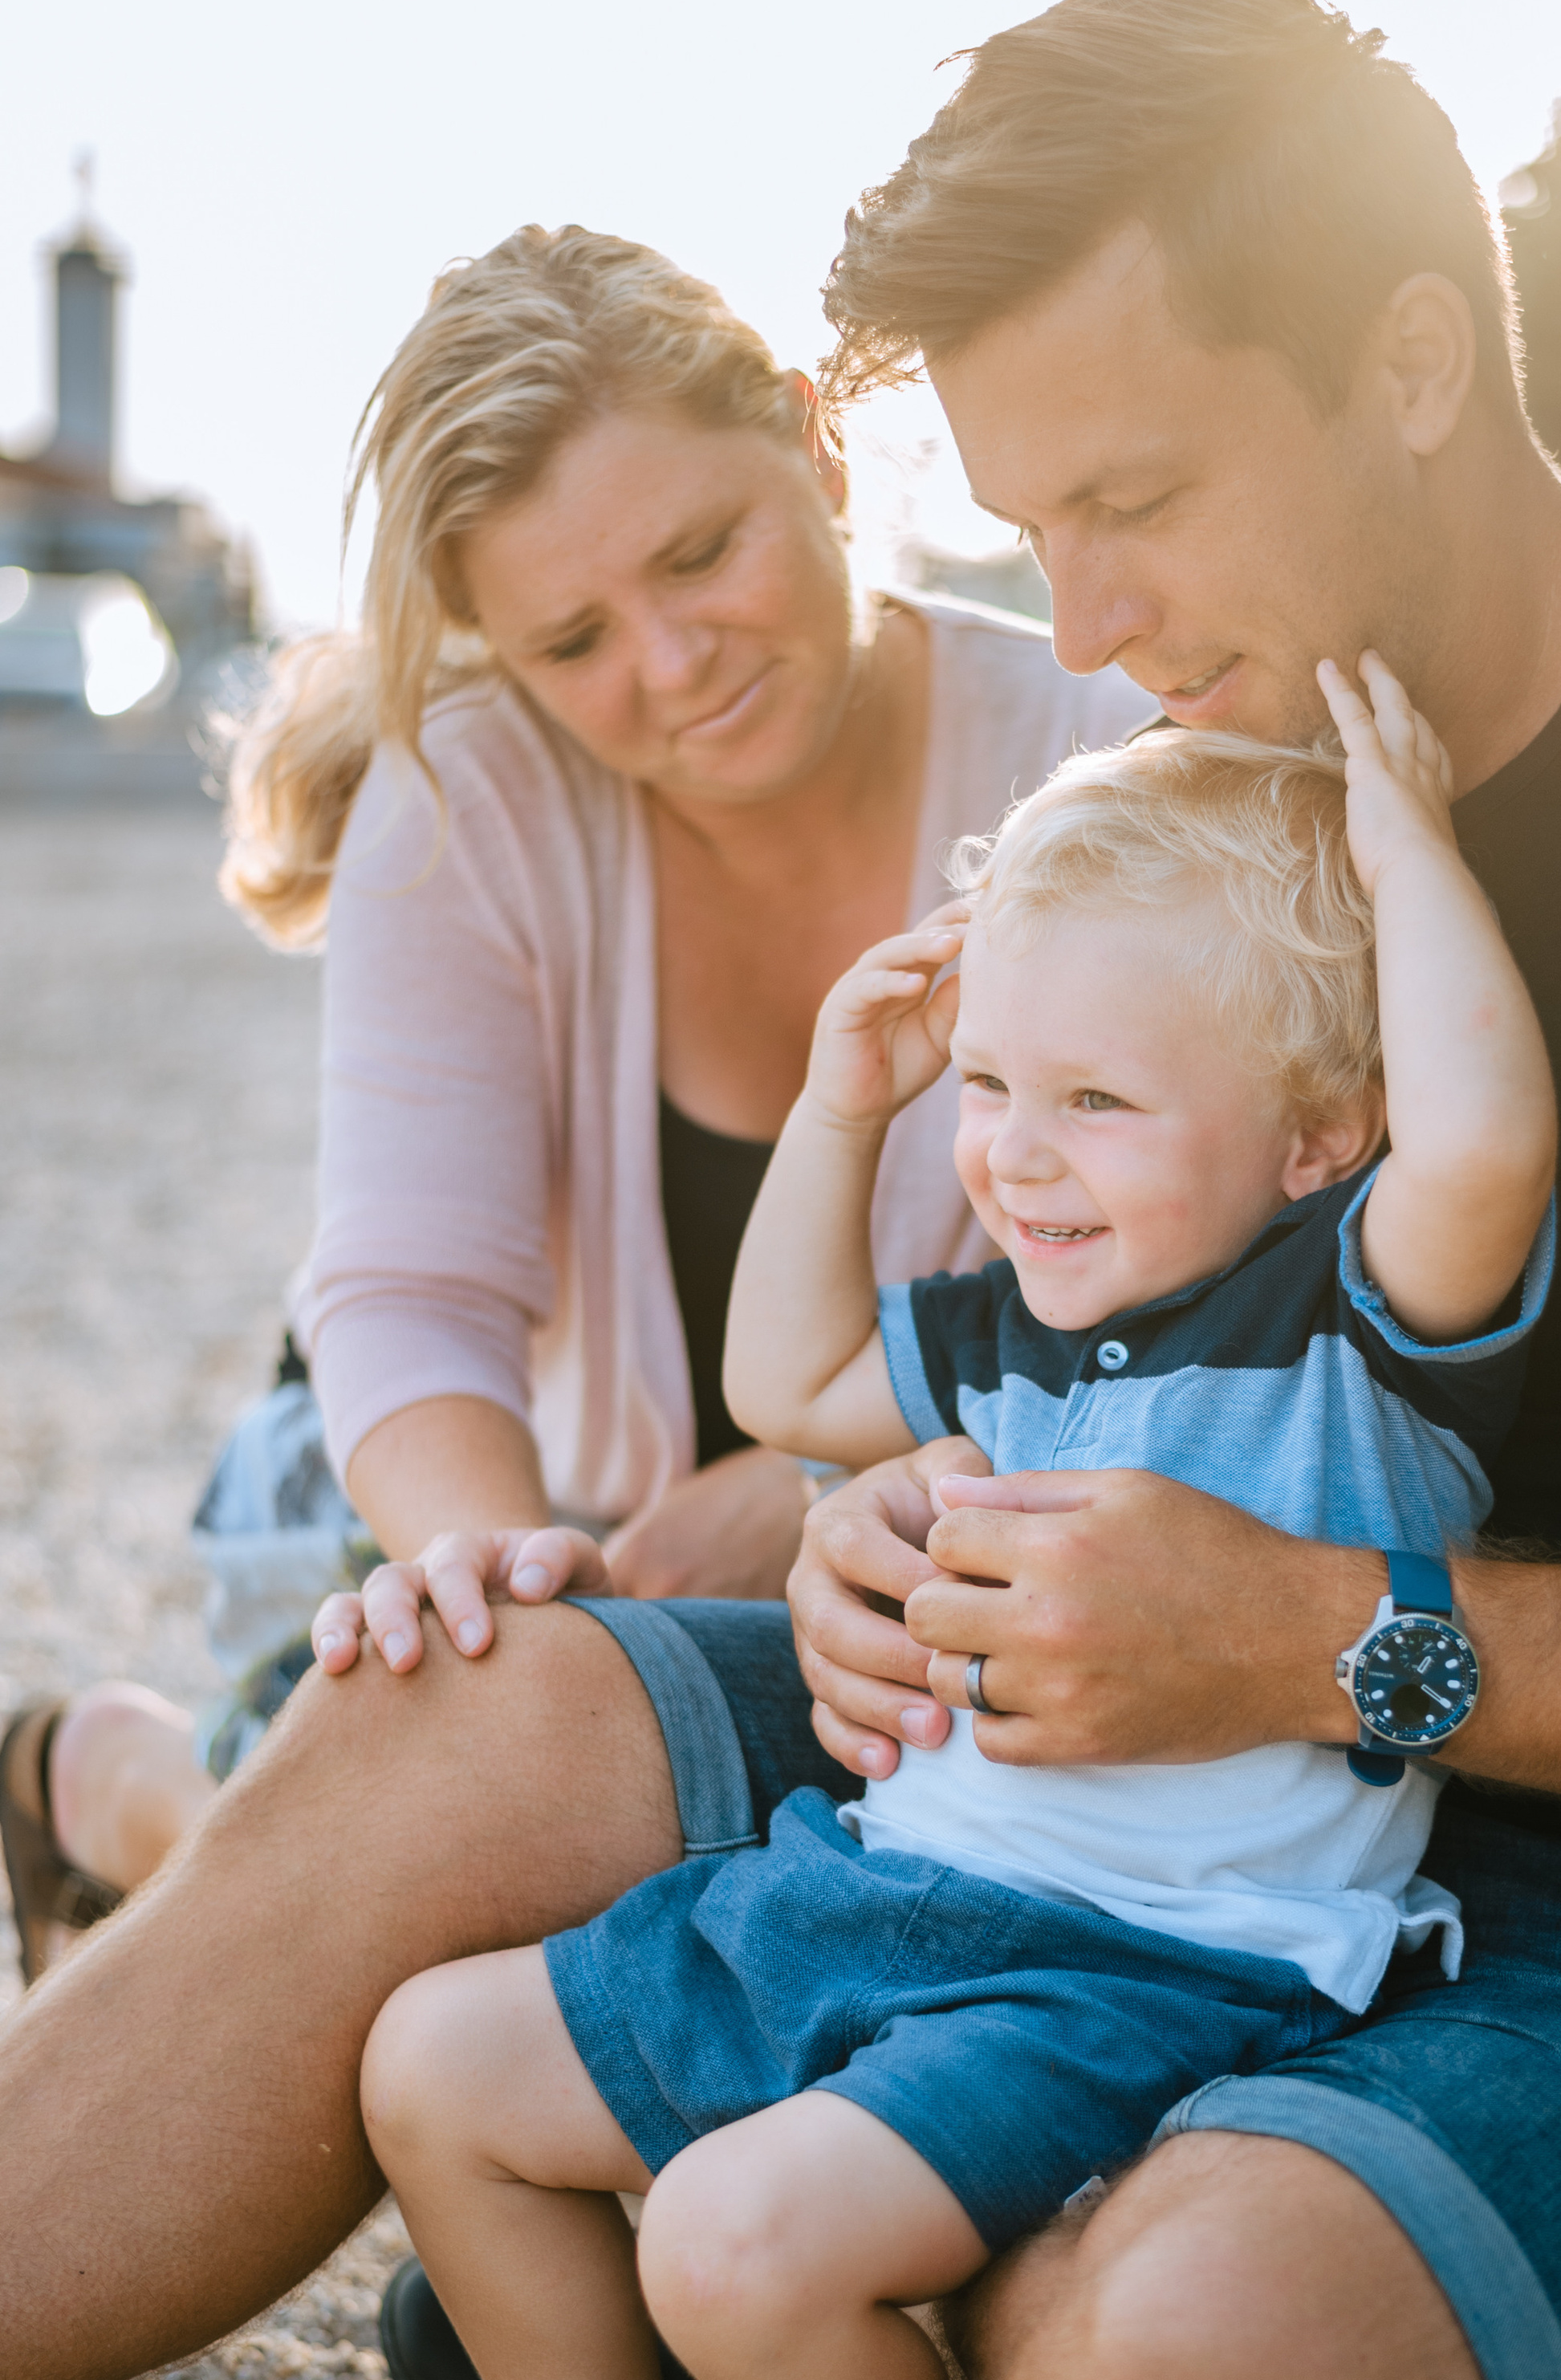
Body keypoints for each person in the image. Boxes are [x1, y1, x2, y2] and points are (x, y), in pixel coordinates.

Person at [4, 0, 1561, 2380]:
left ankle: (794, 2275)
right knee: (463, 1691)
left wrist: (1340, 1651)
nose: (1079, 615)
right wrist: (881, 1520)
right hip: (1082, 1796)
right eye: (1028, 520)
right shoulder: (1197, 794)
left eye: (1137, 495)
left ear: (1412, 360)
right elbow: (1013, 1348)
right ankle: (749, 2242)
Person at [286, 671, 1555, 2380]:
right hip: (883, 1883)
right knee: (434, 2063)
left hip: (1142, 1970)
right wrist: (842, 1105)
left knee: (737, 2232)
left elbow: (1488, 1142)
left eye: (1093, 1097)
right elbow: (786, 1376)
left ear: (1312, 1131)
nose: (1019, 1152)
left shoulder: (1354, 1317)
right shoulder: (1016, 1312)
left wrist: (1408, 845)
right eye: (992, 1084)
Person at [0, 222, 1138, 1981]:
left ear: (814, 450)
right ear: (497, 656)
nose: (673, 664)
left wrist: (829, 1479)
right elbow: (408, 1299)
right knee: (386, 1876)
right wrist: (518, 1586)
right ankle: (111, 1781)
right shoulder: (466, 798)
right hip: (462, 1478)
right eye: (574, 639)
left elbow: (1200, 1280)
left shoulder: (1093, 755)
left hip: (935, 1523)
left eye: (703, 553)